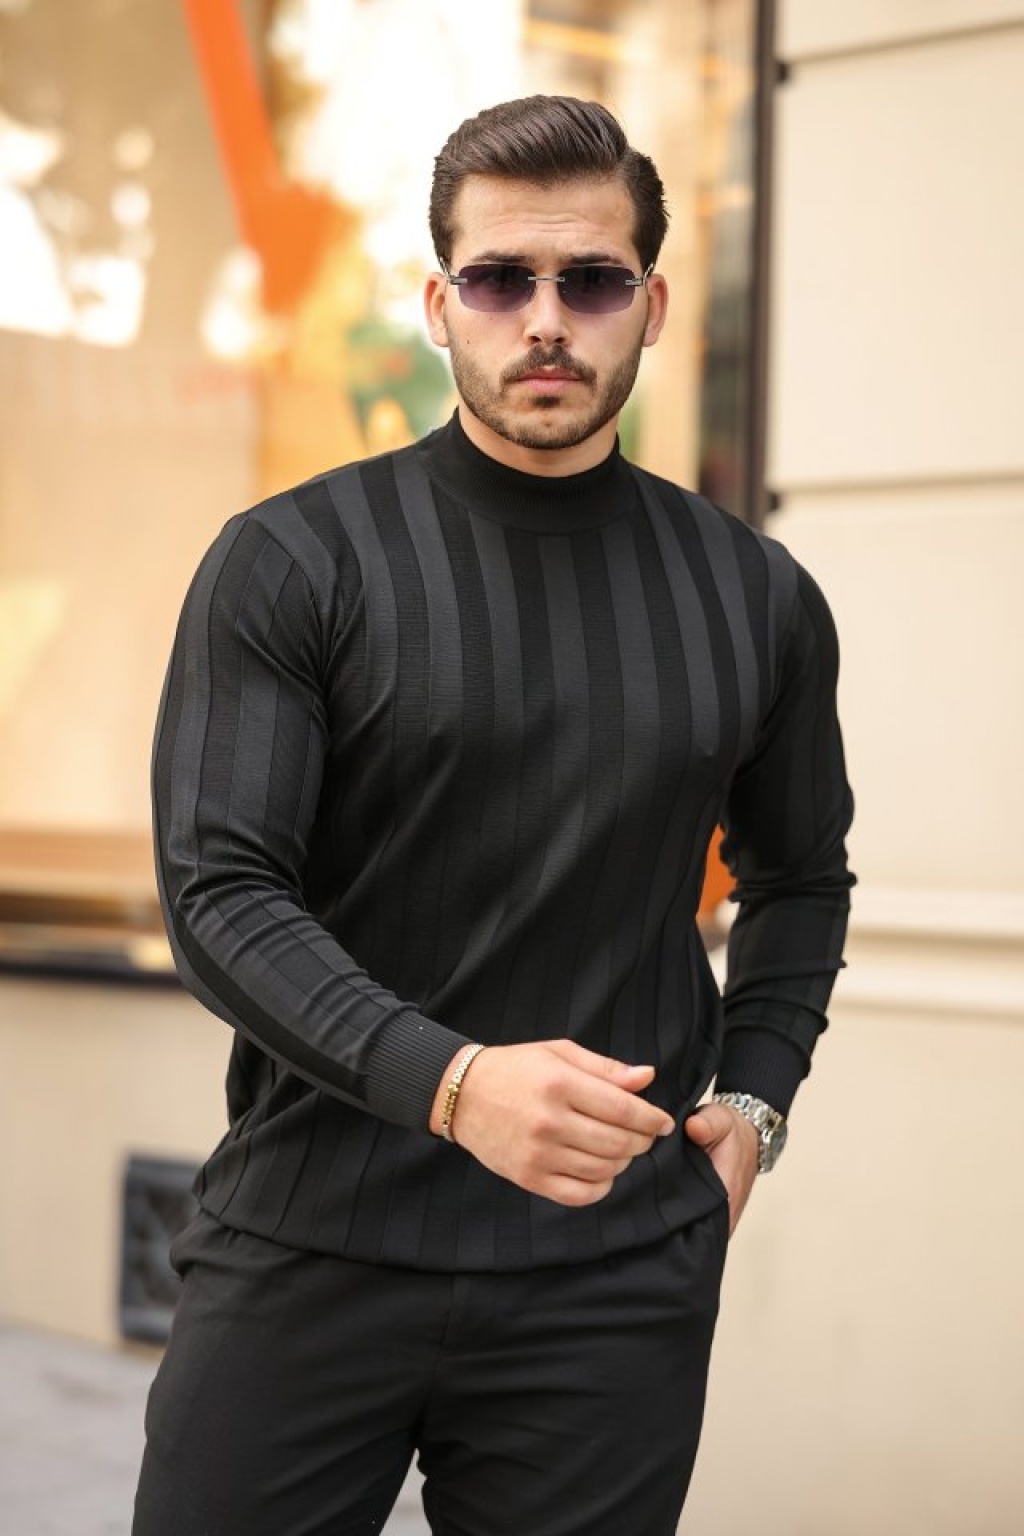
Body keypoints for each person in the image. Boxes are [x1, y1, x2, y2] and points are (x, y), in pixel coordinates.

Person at [133, 95, 854, 1536]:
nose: (545, 320)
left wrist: (755, 1101)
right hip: (310, 1241)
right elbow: (220, 893)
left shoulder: (756, 595)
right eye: (500, 278)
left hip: (610, 1277)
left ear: (651, 307)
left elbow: (801, 877)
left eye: (590, 281)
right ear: (438, 303)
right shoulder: (291, 562)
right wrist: (455, 1085)